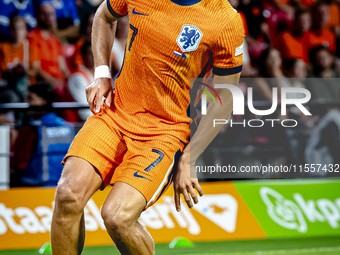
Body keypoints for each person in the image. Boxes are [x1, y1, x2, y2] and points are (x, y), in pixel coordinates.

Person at [51, 0, 244, 254]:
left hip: (165, 131)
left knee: (117, 217)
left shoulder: (225, 21)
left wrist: (189, 158)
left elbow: (225, 97)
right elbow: (104, 16)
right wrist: (101, 74)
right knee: (67, 194)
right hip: (116, 112)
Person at [11, 83, 74, 187]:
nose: (27, 103)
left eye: (30, 99)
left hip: (35, 188)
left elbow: (19, 164)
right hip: (67, 187)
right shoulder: (70, 128)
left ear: (44, 101)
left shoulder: (30, 130)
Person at [28, 2, 70, 94]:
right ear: (38, 16)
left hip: (59, 82)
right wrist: (54, 81)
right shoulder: (33, 37)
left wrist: (70, 81)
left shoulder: (55, 39)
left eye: (51, 14)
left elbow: (63, 68)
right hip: (44, 83)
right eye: (44, 14)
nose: (48, 17)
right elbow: (37, 69)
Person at [0, 16, 39, 99]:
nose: (17, 32)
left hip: (27, 85)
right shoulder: (3, 47)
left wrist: (23, 71)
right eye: (14, 29)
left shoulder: (30, 48)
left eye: (20, 28)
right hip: (8, 85)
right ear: (10, 31)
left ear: (26, 30)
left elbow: (35, 70)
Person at [68, 41, 93, 121]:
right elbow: (84, 112)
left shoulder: (102, 76)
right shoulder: (77, 77)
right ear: (82, 56)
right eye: (90, 53)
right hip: (79, 126)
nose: (94, 56)